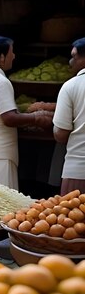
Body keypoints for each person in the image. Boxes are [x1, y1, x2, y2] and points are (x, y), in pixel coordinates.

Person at [0, 36, 53, 189]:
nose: (14, 56)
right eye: (11, 52)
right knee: (2, 207)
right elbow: (9, 117)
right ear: (1, 57)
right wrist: (37, 117)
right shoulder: (0, 81)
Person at [53, 37, 85, 196]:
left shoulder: (71, 86)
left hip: (78, 169)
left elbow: (61, 133)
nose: (70, 61)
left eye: (75, 56)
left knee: (74, 219)